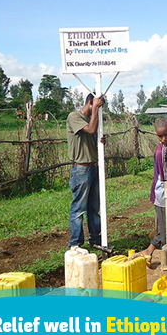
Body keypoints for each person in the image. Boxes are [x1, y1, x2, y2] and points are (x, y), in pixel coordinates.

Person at [133, 118, 167, 268]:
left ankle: (149, 252)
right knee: (166, 229)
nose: (164, 139)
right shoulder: (161, 152)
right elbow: (166, 179)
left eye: (166, 135)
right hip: (164, 194)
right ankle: (164, 261)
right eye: (160, 136)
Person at [66, 93, 105, 248]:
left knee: (94, 208)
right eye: (97, 106)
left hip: (94, 167)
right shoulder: (74, 117)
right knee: (79, 209)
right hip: (81, 169)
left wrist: (101, 142)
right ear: (90, 102)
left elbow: (93, 141)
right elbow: (90, 130)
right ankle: (75, 244)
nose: (98, 110)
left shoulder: (92, 120)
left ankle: (95, 240)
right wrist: (95, 108)